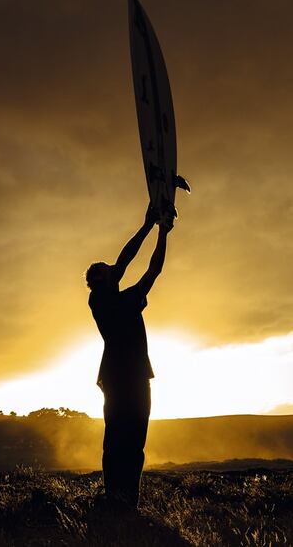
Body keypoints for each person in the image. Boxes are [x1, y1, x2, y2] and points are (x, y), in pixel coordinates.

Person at [86, 204, 174, 512]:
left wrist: (157, 229)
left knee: (133, 441)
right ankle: (115, 498)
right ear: (99, 280)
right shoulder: (100, 299)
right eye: (105, 271)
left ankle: (126, 501)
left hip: (131, 377)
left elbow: (151, 268)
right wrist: (153, 226)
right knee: (118, 441)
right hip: (123, 379)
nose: (112, 270)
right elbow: (136, 263)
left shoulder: (122, 298)